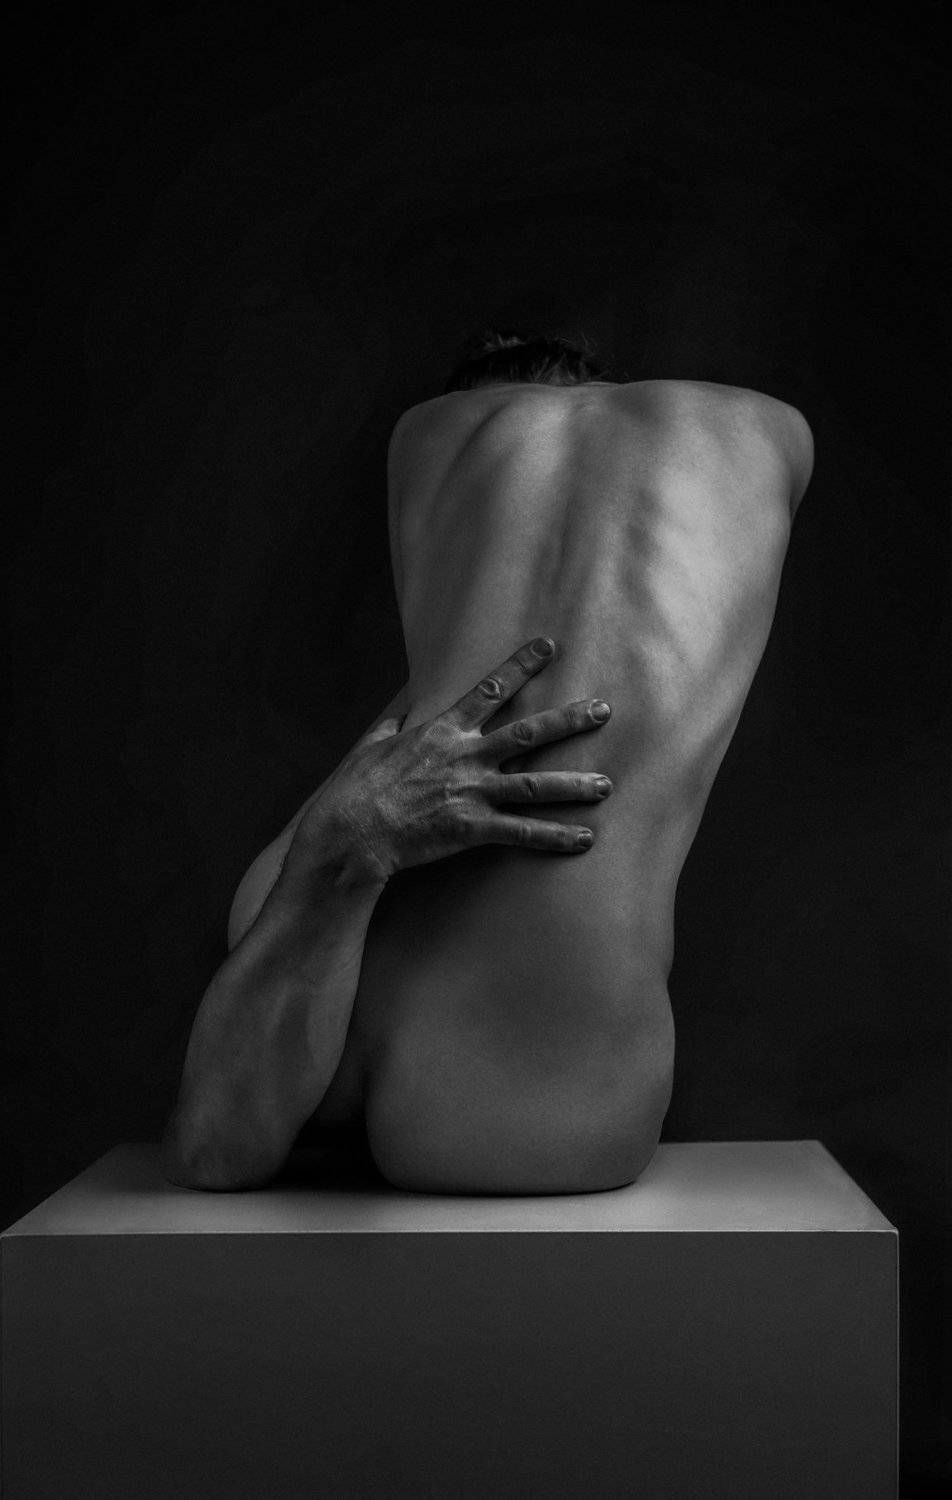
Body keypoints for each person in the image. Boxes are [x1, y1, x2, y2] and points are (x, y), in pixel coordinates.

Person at [162, 329, 814, 1195]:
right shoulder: (751, 433)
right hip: (536, 1103)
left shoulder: (428, 439)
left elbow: (212, 1158)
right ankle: (352, 855)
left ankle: (347, 860)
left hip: (345, 1032)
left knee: (325, 858)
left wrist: (348, 840)